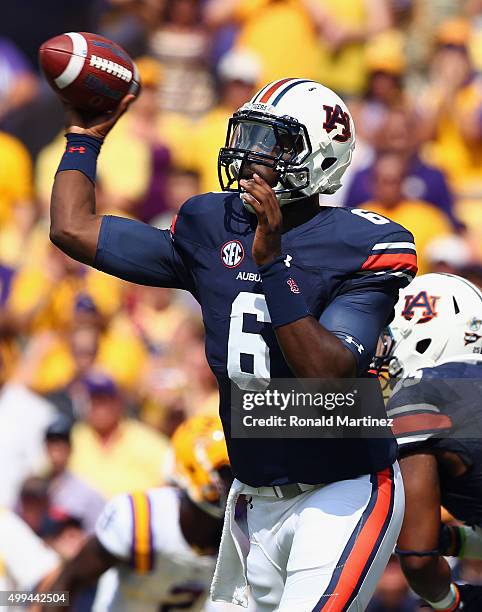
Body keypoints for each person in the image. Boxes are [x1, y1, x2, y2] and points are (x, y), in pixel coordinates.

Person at [50, 77, 417, 610]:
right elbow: (72, 228)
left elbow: (329, 376)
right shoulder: (211, 223)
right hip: (251, 495)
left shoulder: (358, 243)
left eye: (273, 143)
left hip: (343, 485)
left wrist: (271, 266)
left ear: (321, 157)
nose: (250, 156)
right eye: (248, 136)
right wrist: (84, 139)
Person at [41, 415, 233, 612]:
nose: (240, 485)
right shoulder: (142, 517)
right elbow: (70, 581)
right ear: (193, 466)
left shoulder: (242, 532)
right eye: (229, 473)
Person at [377, 273, 482, 611]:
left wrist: (448, 601)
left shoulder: (421, 397)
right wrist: (454, 540)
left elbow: (419, 561)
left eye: (390, 340)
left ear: (422, 337)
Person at [43, 415, 105, 534]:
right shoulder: (33, 484)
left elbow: (97, 532)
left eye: (61, 445)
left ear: (70, 449)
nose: (56, 451)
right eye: (51, 444)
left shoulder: (86, 490)